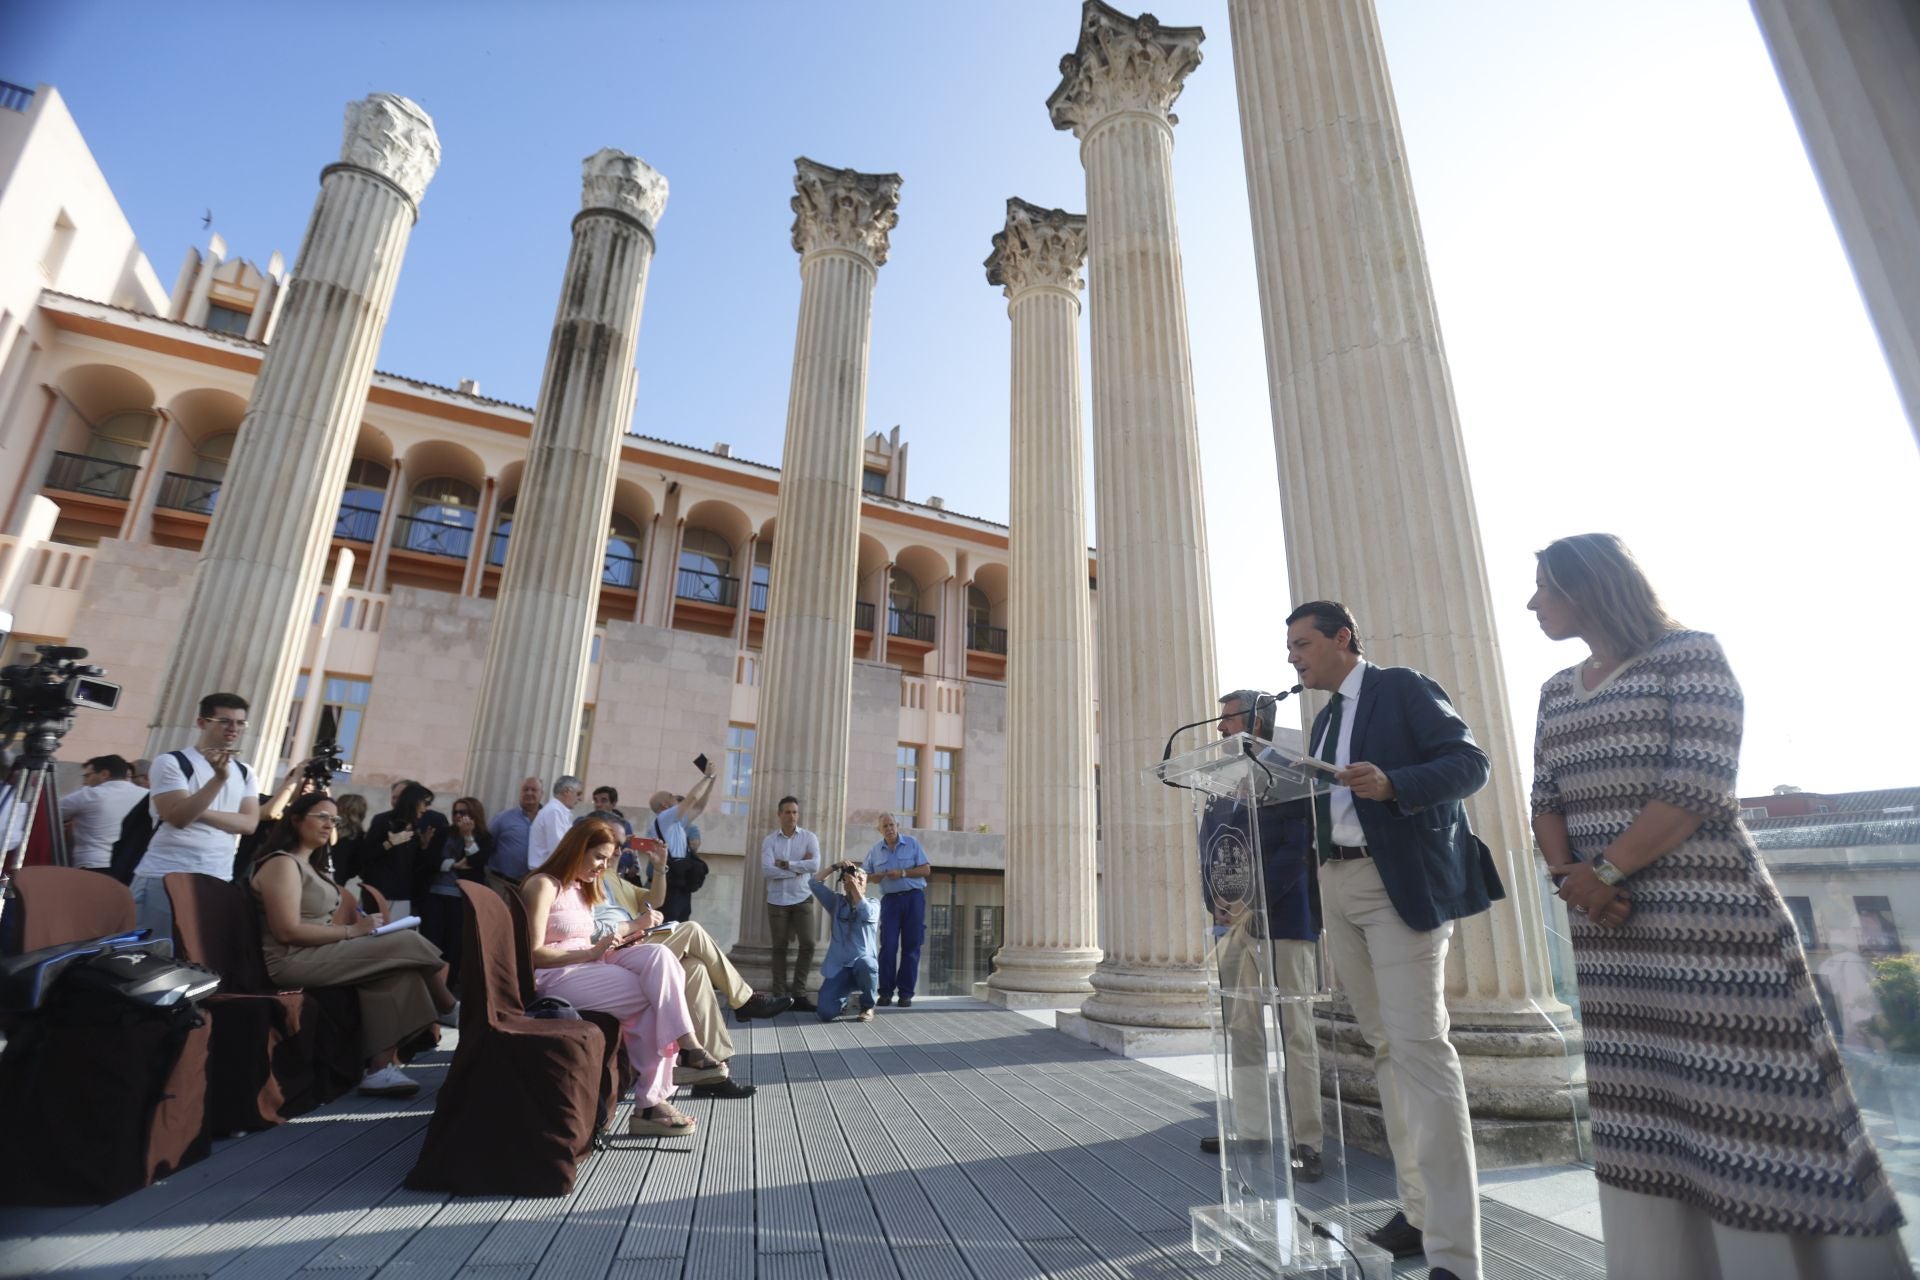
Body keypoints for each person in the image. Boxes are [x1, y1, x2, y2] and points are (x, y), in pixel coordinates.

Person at [1527, 533, 1907, 1280]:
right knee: (1646, 1108)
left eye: (1544, 586)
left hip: (1711, 923)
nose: (1532, 602)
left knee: (1755, 1098)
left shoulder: (1691, 655)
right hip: (1612, 937)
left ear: (1587, 588)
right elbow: (1544, 795)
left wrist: (1604, 872)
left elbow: (1699, 782)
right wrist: (1573, 877)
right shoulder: (1555, 688)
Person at [1286, 600, 1501, 1280]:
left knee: (1420, 1051)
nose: (1293, 656)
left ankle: (1456, 1256)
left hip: (1395, 886)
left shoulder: (1401, 687)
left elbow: (1470, 765)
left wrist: (1394, 784)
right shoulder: (1321, 723)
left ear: (1343, 638)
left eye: (1303, 643)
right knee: (1385, 1048)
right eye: (1289, 646)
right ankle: (1416, 1212)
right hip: (1337, 886)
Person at [523, 820, 724, 1137]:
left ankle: (686, 1049)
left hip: (592, 960)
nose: (604, 865)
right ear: (578, 849)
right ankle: (653, 1099)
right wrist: (590, 954)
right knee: (652, 997)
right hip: (558, 973)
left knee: (660, 957)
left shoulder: (582, 888)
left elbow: (594, 937)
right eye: (599, 857)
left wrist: (622, 938)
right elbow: (534, 953)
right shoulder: (543, 885)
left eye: (607, 858)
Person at [251, 791, 455, 1097]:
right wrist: (352, 932)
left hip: (319, 952)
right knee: (405, 942)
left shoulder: (310, 866)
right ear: (295, 820)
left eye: (333, 819)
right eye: (321, 817)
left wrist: (358, 929)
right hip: (292, 960)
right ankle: (449, 1008)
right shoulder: (282, 864)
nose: (328, 824)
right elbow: (287, 931)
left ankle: (379, 1070)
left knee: (400, 971)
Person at [1200, 690, 1323, 1182]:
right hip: (1229, 925)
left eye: (1227, 719)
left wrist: (1252, 900)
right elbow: (1209, 842)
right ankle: (1251, 1128)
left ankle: (1307, 1141)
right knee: (1242, 1030)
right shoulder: (1217, 780)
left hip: (1285, 920)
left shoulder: (1289, 772)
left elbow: (1295, 848)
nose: (1220, 728)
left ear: (1254, 720)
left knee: (1297, 1031)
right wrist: (1217, 900)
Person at [592, 838, 792, 1097]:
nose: (618, 849)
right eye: (611, 844)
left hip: (638, 945)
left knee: (695, 969)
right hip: (619, 953)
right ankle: (744, 1000)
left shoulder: (616, 881)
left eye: (621, 843)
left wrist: (662, 867)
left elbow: (655, 898)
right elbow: (591, 929)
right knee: (692, 929)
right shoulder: (587, 878)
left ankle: (713, 1074)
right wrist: (636, 925)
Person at [132, 692, 261, 940]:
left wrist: (195, 810)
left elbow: (249, 824)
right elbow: (179, 818)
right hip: (166, 875)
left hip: (218, 876)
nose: (233, 728)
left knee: (200, 959)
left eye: (240, 722)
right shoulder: (172, 762)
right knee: (152, 956)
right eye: (224, 721)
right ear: (202, 722)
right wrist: (218, 779)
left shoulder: (245, 772)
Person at [419, 795, 491, 990]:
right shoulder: (444, 833)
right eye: (456, 812)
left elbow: (476, 863)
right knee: (432, 941)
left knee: (454, 944)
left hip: (461, 898)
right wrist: (452, 864)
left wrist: (468, 837)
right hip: (436, 894)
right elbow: (430, 860)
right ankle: (427, 985)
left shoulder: (483, 837)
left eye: (464, 812)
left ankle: (446, 987)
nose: (459, 816)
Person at [863, 813, 930, 1007]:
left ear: (897, 825)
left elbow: (926, 870)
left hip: (914, 898)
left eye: (892, 824)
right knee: (888, 946)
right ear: (879, 830)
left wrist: (902, 872)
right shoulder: (875, 851)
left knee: (912, 946)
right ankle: (885, 992)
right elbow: (865, 875)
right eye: (885, 826)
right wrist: (874, 876)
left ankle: (906, 994)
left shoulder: (912, 843)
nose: (889, 829)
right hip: (890, 901)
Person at [762, 795, 821, 1010]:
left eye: (795, 812)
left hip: (802, 897)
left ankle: (799, 993)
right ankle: (779, 994)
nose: (792, 816)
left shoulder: (808, 838)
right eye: (787, 812)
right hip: (777, 900)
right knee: (779, 947)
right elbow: (767, 871)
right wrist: (798, 868)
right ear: (779, 815)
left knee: (809, 944)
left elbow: (814, 865)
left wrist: (787, 865)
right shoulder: (770, 840)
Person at [646, 762, 717, 923]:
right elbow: (691, 799)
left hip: (680, 882)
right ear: (665, 805)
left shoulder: (675, 823)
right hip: (671, 883)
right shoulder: (664, 818)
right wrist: (707, 777)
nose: (676, 798)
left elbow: (698, 807)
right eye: (672, 796)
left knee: (681, 925)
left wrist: (712, 781)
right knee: (669, 927)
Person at [360, 782, 442, 919]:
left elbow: (415, 865)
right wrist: (390, 843)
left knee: (396, 937)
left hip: (402, 894)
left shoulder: (417, 827)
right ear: (414, 801)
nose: (426, 808)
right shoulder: (383, 820)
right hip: (378, 891)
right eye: (425, 803)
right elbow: (366, 855)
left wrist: (424, 846)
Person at [810, 861, 880, 1022]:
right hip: (839, 968)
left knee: (867, 964)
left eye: (861, 880)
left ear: (866, 884)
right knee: (825, 1013)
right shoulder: (836, 902)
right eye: (853, 879)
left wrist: (855, 887)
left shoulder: (874, 903)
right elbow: (814, 883)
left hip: (861, 966)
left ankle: (868, 1006)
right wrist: (835, 866)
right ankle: (842, 1002)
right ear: (843, 882)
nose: (857, 881)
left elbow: (866, 912)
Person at [61, 754, 146, 873]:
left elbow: (52, 813)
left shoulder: (89, 794)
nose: (85, 781)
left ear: (104, 774)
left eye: (88, 776)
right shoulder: (147, 795)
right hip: (130, 865)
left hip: (93, 863)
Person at [487, 776, 542, 898]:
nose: (529, 793)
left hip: (532, 888)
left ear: (541, 794)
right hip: (501, 885)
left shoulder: (548, 819)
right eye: (525, 789)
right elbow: (488, 845)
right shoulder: (502, 818)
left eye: (534, 790)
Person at [528, 774, 582, 872]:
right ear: (567, 791)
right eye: (578, 793)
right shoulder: (554, 811)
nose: (580, 798)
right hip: (546, 872)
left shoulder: (558, 811)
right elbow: (559, 848)